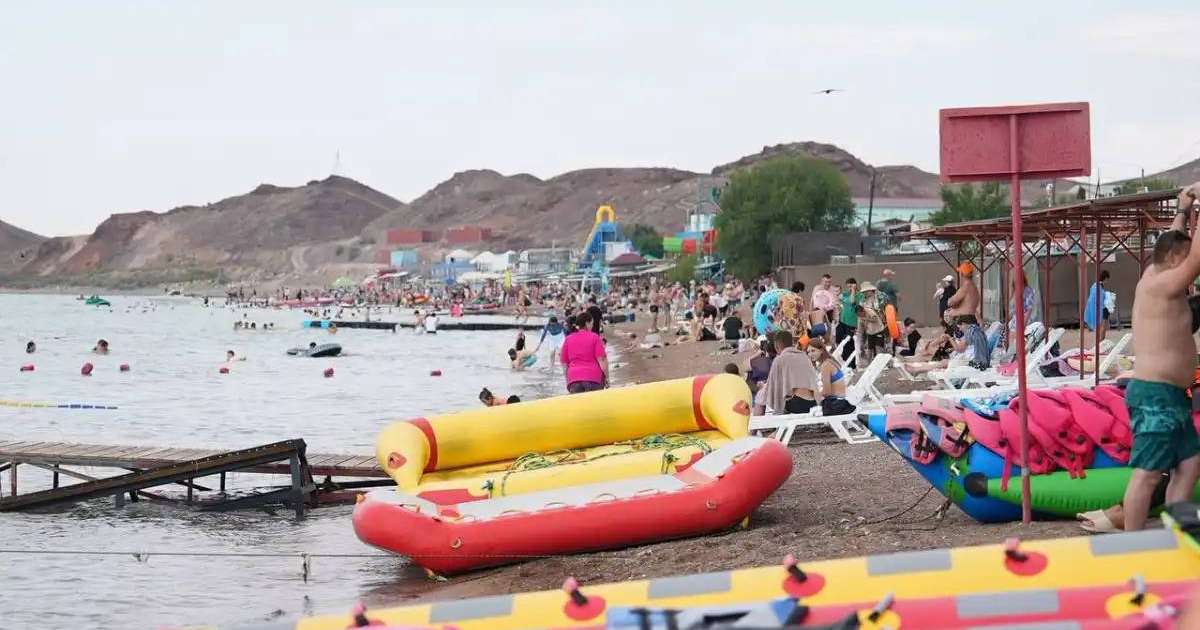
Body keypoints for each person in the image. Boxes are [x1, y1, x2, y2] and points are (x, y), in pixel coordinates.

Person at [1083, 185, 1200, 533]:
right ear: (1175, 260)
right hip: (1154, 395)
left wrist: (1184, 207)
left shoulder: (1156, 272)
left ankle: (1175, 535)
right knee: (1148, 473)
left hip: (1174, 395)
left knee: (1190, 463)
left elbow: (1177, 243)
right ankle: (1131, 544)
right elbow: (1195, 259)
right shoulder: (1160, 284)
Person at [762, 330, 820, 415]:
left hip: (796, 404)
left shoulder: (779, 360)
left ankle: (759, 426)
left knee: (761, 396)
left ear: (777, 346)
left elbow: (773, 387)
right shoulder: (804, 356)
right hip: (813, 402)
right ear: (792, 342)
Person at [561, 310, 608, 393]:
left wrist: (568, 380)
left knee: (578, 406)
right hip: (593, 378)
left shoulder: (568, 339)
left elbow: (564, 364)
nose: (592, 326)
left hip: (574, 379)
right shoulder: (595, 337)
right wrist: (607, 378)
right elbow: (602, 361)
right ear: (587, 323)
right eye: (592, 323)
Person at [808, 337, 854, 416]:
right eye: (808, 352)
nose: (810, 354)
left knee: (807, 397)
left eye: (813, 351)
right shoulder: (830, 361)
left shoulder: (826, 365)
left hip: (835, 404)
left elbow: (827, 392)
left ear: (821, 350)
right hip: (840, 401)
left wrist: (816, 395)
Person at [745, 335, 775, 415]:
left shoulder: (760, 362)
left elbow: (746, 366)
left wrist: (756, 355)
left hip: (762, 395)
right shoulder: (779, 360)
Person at [857, 283, 887, 359]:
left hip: (879, 325)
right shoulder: (863, 301)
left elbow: (881, 312)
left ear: (870, 290)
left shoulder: (880, 297)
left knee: (879, 346)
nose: (864, 293)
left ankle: (881, 361)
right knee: (869, 346)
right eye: (864, 292)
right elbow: (861, 313)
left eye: (866, 291)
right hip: (868, 327)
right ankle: (870, 362)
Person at [835, 278, 860, 367]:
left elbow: (852, 301)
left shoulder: (859, 295)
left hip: (852, 323)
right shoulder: (845, 294)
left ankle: (852, 364)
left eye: (851, 286)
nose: (849, 288)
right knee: (842, 341)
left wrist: (853, 290)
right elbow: (839, 298)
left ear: (855, 285)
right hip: (843, 321)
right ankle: (845, 360)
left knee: (850, 343)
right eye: (848, 286)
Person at [1085, 269, 1111, 343]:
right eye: (1107, 279)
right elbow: (1097, 299)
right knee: (1102, 326)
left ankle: (1101, 342)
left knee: (1102, 326)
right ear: (1105, 278)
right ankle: (1101, 342)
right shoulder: (1098, 286)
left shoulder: (1095, 285)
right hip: (1101, 309)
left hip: (1100, 308)